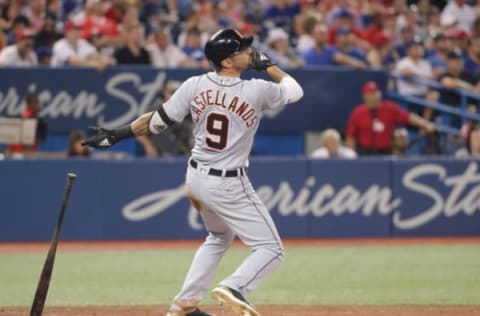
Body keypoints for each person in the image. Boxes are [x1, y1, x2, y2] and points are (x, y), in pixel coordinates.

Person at [82, 28, 304, 316]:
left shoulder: (194, 84)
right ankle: (235, 286)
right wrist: (270, 66)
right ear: (226, 61)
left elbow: (156, 122)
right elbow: (295, 91)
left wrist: (117, 135)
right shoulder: (256, 89)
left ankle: (183, 306)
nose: (249, 52)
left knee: (218, 238)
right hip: (228, 182)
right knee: (271, 249)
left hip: (196, 177)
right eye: (242, 49)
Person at [346, 81, 435, 155]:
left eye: (374, 93)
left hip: (384, 151)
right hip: (364, 152)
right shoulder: (358, 112)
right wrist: (352, 155)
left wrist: (424, 124)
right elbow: (351, 136)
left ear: (379, 94)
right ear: (365, 96)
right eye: (369, 94)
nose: (372, 97)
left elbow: (408, 117)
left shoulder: (389, 108)